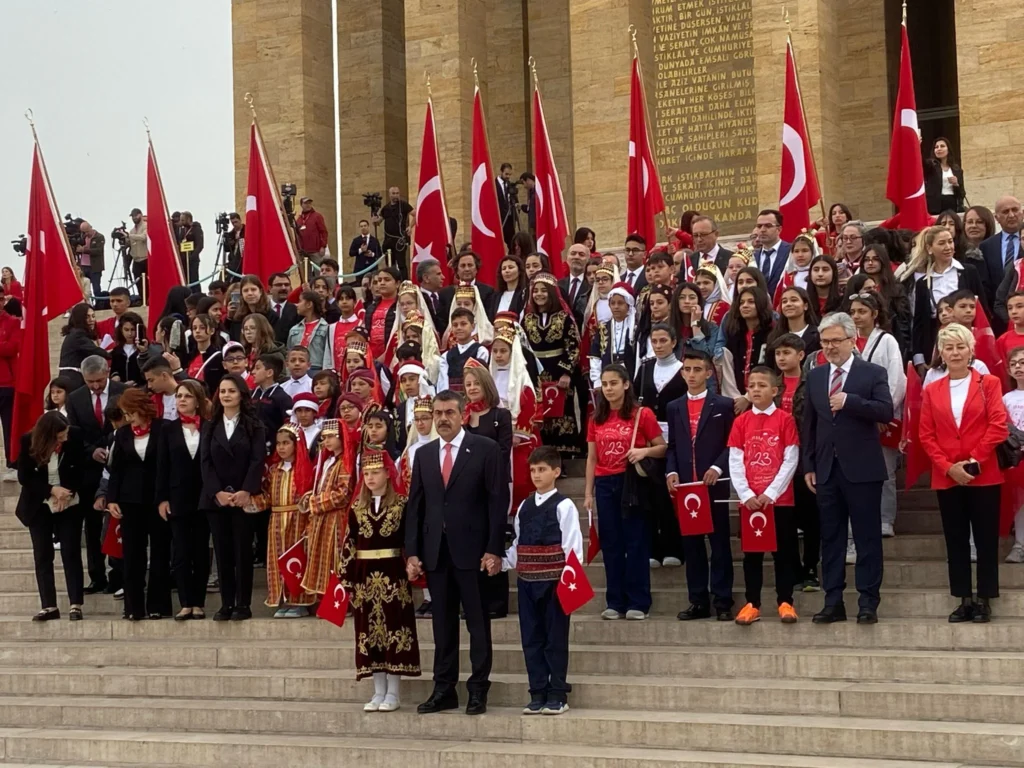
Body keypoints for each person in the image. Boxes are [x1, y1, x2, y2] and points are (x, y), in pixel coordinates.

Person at [404, 390, 507, 716]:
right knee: (442, 626)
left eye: (449, 412)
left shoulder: (485, 449)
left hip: (473, 552)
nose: (443, 418)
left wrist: (494, 548)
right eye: (438, 413)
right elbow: (416, 507)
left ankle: (478, 690)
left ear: (462, 414)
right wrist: (413, 552)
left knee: (477, 624)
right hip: (436, 553)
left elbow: (497, 501)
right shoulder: (424, 454)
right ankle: (444, 689)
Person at [803, 313, 893, 624]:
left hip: (863, 469)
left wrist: (851, 401)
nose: (829, 347)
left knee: (867, 538)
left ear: (852, 341)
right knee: (831, 538)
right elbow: (809, 425)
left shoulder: (872, 373)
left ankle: (868, 602)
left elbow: (886, 410)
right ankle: (833, 601)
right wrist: (809, 464)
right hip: (827, 469)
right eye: (824, 341)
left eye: (835, 341)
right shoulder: (815, 376)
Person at [918, 323, 1006, 622]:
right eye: (949, 347)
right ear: (941, 352)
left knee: (985, 539)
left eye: (960, 346)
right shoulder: (931, 389)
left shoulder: (989, 383)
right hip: (947, 475)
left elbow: (998, 425)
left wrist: (974, 461)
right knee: (955, 540)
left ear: (971, 350)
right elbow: (926, 435)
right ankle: (964, 599)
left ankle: (984, 598)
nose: (955, 352)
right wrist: (947, 467)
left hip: (984, 473)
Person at [338, 449, 421, 711]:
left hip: (393, 577)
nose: (370, 477)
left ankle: (393, 693)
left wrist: (413, 564)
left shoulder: (402, 504)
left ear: (388, 473)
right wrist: (346, 578)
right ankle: (378, 691)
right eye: (366, 473)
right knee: (368, 633)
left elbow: (410, 539)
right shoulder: (357, 508)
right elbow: (349, 544)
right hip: (364, 578)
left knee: (394, 631)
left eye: (375, 472)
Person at [501, 446, 581, 715]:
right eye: (533, 470)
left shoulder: (564, 505)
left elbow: (573, 549)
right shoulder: (524, 505)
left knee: (554, 639)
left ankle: (557, 694)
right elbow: (518, 545)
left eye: (542, 470)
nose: (536, 475)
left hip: (555, 583)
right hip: (527, 582)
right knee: (531, 638)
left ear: (556, 472)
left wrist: (569, 584)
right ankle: (537, 692)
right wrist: (500, 562)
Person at [584, 363, 666, 621]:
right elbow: (591, 458)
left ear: (626, 384)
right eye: (605, 384)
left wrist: (643, 451)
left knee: (636, 541)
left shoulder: (642, 415)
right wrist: (588, 492)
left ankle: (639, 602)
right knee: (611, 544)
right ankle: (615, 601)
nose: (608, 389)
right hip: (605, 484)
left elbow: (662, 447)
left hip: (632, 482)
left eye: (613, 383)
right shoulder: (596, 418)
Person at [727, 366, 801, 625]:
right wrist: (746, 494)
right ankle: (752, 603)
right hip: (750, 502)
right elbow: (735, 460)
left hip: (779, 500)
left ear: (774, 390)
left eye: (761, 385)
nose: (756, 389)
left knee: (784, 552)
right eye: (752, 385)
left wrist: (771, 493)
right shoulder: (740, 422)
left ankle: (785, 601)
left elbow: (790, 458)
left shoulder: (785, 420)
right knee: (752, 554)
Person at [665, 350, 735, 619]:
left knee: (719, 544)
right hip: (686, 487)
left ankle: (723, 601)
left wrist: (718, 467)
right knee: (692, 546)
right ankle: (698, 600)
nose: (691, 375)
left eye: (697, 369)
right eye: (687, 369)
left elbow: (733, 444)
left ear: (709, 373)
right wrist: (671, 472)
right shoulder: (674, 407)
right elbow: (672, 447)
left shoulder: (724, 405)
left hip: (714, 486)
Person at [200, 374, 266, 621]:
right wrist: (217, 491)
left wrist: (246, 490)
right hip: (217, 500)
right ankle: (226, 603)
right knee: (223, 551)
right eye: (223, 391)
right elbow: (204, 462)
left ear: (241, 395)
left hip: (243, 498)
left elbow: (257, 460)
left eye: (231, 391)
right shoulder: (210, 424)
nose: (226, 395)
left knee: (242, 551)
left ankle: (243, 603)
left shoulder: (254, 425)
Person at [106, 388, 171, 620]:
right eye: (125, 413)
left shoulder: (164, 428)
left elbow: (169, 464)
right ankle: (133, 607)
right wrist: (112, 498)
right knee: (133, 555)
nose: (128, 417)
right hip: (129, 500)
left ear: (141, 409)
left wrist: (166, 496)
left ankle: (158, 605)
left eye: (130, 412)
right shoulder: (122, 434)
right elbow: (116, 470)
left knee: (160, 552)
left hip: (157, 499)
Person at [847, 291, 906, 541]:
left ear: (875, 313)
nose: (857, 317)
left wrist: (884, 412)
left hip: (882, 417)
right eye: (853, 312)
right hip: (854, 415)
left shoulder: (887, 341)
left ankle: (885, 518)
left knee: (885, 471)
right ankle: (860, 518)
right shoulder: (847, 341)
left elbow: (897, 379)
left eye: (862, 311)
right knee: (855, 472)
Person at [16, 411, 85, 621]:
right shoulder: (29, 441)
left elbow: (81, 469)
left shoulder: (75, 436)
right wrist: (50, 491)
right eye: (60, 436)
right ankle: (48, 605)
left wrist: (67, 492)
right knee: (43, 554)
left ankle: (75, 604)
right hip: (39, 504)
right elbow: (25, 477)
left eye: (65, 434)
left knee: (71, 552)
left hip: (69, 503)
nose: (64, 438)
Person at [66, 355, 126, 594]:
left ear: (107, 372)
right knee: (92, 526)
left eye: (100, 380)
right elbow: (73, 433)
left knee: (118, 522)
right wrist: (92, 451)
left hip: (120, 467)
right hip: (89, 470)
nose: (96, 386)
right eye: (91, 381)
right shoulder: (75, 398)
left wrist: (112, 444)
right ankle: (97, 575)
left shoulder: (122, 391)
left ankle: (119, 575)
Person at [155, 380, 210, 621]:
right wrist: (162, 498)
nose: (182, 400)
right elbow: (161, 466)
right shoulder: (167, 429)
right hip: (177, 497)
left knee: (201, 551)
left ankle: (199, 602)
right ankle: (186, 602)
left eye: (187, 396)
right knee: (180, 551)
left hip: (204, 497)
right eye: (179, 396)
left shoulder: (209, 427)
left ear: (197, 400)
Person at [633, 323, 686, 568]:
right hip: (648, 437)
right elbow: (634, 401)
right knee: (650, 494)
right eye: (655, 341)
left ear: (674, 342)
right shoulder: (644, 368)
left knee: (670, 494)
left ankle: (675, 546)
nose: (659, 345)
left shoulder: (684, 369)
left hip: (676, 436)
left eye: (663, 340)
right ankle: (653, 547)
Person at [463, 362, 513, 618]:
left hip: (493, 487)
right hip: (468, 491)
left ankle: (496, 602)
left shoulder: (500, 416)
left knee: (493, 538)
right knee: (470, 543)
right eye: (468, 384)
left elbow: (503, 452)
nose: (472, 388)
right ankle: (474, 602)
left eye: (476, 383)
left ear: (486, 385)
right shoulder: (462, 417)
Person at [770, 334, 819, 589]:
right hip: (776, 462)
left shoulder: (812, 382)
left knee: (811, 519)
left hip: (805, 459)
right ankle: (792, 570)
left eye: (787, 353)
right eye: (778, 353)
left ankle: (811, 568)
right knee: (784, 522)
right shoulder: (770, 384)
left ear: (801, 355)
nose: (781, 358)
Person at [523, 274, 586, 455]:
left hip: (559, 372)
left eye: (544, 291)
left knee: (561, 411)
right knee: (541, 413)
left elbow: (573, 346)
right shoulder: (527, 319)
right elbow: (523, 348)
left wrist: (567, 372)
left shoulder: (564, 317)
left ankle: (564, 455)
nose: (539, 294)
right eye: (535, 291)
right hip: (535, 373)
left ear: (552, 293)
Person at [298, 418, 354, 597]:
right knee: (324, 560)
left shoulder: (344, 463)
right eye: (324, 437)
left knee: (335, 558)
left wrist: (315, 502)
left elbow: (343, 494)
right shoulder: (328, 461)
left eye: (331, 436)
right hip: (322, 518)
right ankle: (326, 599)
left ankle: (339, 600)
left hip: (336, 519)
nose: (327, 441)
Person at [721, 286, 774, 414]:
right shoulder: (734, 335)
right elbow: (727, 370)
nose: (745, 306)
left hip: (766, 402)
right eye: (742, 302)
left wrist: (748, 397)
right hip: (736, 403)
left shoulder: (772, 335)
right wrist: (737, 399)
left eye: (751, 302)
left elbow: (773, 369)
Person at [981, 196, 1023, 308]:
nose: (1011, 215)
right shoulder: (986, 246)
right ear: (997, 218)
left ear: (1022, 213)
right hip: (998, 313)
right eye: (1005, 212)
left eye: (1015, 210)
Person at [1003, 347, 1024, 563]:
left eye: (1023, 362)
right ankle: (1020, 545)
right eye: (1014, 364)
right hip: (1017, 460)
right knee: (1019, 503)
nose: (1018, 367)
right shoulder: (1006, 398)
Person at [437, 308, 490, 392]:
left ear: (473, 326)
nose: (459, 328)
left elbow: (481, 379)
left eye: (463, 324)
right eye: (455, 325)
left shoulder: (480, 351)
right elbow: (443, 382)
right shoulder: (446, 356)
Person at [59, 304, 106, 391]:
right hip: (73, 379)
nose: (92, 320)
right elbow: (97, 352)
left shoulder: (75, 333)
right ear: (80, 318)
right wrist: (114, 352)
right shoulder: (78, 334)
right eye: (87, 317)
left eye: (93, 316)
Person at [0, 298, 22, 480]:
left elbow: (13, 347)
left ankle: (13, 464)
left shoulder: (13, 321)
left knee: (9, 426)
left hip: (6, 383)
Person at [374, 187, 414, 279]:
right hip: (388, 240)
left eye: (397, 193)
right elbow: (378, 222)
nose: (396, 195)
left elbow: (415, 214)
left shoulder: (403, 205)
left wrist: (410, 226)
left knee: (401, 264)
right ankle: (391, 281)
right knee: (390, 264)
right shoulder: (386, 208)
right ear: (390, 195)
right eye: (394, 193)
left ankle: (404, 282)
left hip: (400, 240)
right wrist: (374, 220)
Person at [286, 292, 329, 372]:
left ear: (309, 304)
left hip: (316, 369)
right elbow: (289, 352)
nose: (297, 305)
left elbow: (328, 355)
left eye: (300, 301)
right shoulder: (294, 329)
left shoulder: (326, 328)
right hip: (296, 370)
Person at [752, 210, 791, 297]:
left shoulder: (791, 251)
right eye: (759, 226)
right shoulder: (752, 256)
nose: (762, 230)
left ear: (779, 229)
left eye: (768, 226)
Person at [925, 137, 966, 215]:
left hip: (952, 204)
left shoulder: (956, 169)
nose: (939, 149)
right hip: (935, 207)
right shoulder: (930, 166)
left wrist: (956, 184)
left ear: (948, 149)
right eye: (936, 147)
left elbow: (962, 194)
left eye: (942, 146)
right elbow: (920, 162)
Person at [559, 243, 592, 328]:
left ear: (588, 259)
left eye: (581, 254)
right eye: (573, 253)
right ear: (567, 258)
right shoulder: (558, 285)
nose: (576, 257)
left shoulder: (592, 286)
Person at [108, 311, 146, 387]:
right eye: (126, 330)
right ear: (121, 330)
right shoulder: (117, 351)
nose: (129, 333)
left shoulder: (144, 349)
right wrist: (115, 376)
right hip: (121, 390)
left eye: (133, 330)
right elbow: (114, 369)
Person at [488, 255, 527, 320]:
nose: (507, 271)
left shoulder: (524, 294)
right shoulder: (496, 296)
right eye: (504, 268)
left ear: (519, 271)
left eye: (511, 267)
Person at [416, 259, 450, 332]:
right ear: (426, 278)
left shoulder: (447, 297)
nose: (443, 277)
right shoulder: (416, 299)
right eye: (438, 274)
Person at [74, 220, 106, 298]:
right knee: (84, 286)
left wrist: (84, 250)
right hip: (84, 266)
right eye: (84, 232)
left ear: (91, 228)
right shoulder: (83, 237)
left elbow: (98, 251)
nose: (86, 234)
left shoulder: (99, 237)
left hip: (95, 267)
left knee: (96, 288)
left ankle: (98, 304)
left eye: (87, 231)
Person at [295, 196, 328, 265]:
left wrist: (323, 246)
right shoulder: (299, 218)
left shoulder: (317, 216)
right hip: (303, 251)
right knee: (305, 273)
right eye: (306, 203)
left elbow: (323, 232)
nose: (308, 205)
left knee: (318, 270)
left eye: (309, 203)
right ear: (301, 205)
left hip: (315, 250)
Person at [268, 272, 300, 345]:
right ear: (270, 288)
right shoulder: (263, 309)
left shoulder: (297, 311)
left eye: (286, 285)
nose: (283, 288)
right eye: (279, 285)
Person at [177, 212, 203, 294]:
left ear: (189, 219)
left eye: (183, 220)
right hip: (183, 259)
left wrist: (192, 256)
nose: (181, 222)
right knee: (185, 279)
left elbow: (200, 245)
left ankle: (197, 295)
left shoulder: (196, 229)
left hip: (193, 259)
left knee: (194, 279)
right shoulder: (182, 230)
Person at [496, 163, 517, 250]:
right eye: (506, 174)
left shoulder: (510, 185)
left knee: (511, 242)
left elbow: (515, 199)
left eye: (509, 174)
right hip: (499, 219)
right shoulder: (494, 184)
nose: (508, 176)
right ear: (501, 172)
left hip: (510, 219)